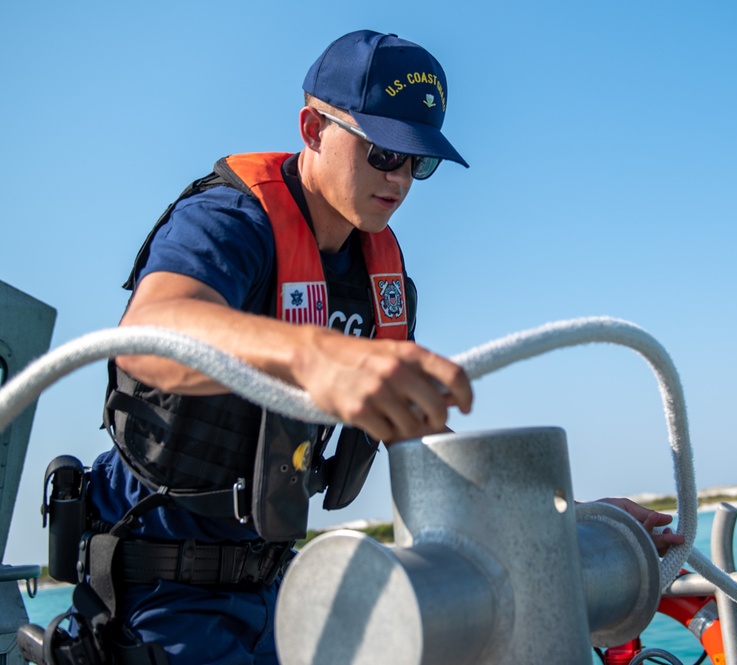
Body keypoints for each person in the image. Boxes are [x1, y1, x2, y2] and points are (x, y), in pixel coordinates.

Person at [59, 29, 682, 665]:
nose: (401, 178)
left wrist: (559, 519)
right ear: (312, 129)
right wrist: (316, 355)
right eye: (383, 151)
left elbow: (423, 439)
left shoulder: (381, 281)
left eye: (419, 160)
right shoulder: (227, 224)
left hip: (280, 588)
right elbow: (149, 334)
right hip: (156, 591)